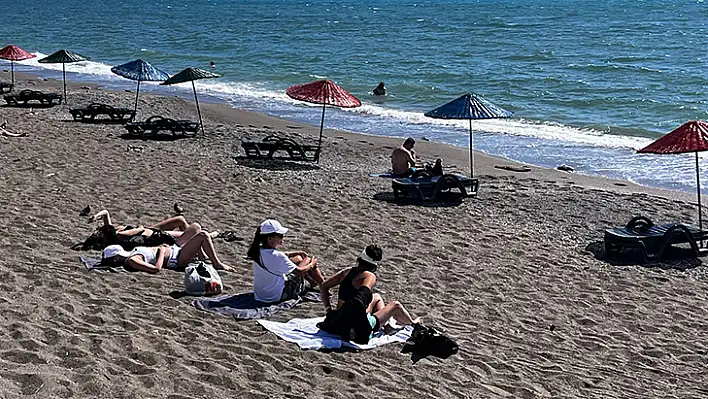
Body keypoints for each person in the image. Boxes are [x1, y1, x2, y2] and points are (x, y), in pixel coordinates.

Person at [319, 244, 420, 336]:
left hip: (338, 318)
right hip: (354, 326)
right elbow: (360, 297)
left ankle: (385, 325)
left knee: (377, 297)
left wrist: (328, 310)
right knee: (396, 305)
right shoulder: (369, 276)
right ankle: (412, 323)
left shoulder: (346, 272)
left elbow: (323, 286)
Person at [102, 223, 234, 273]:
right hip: (175, 258)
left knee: (195, 227)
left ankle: (201, 255)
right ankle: (217, 264)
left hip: (173, 248)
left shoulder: (130, 254)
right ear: (116, 257)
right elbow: (156, 269)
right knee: (203, 235)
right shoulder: (132, 260)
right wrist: (161, 251)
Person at [246, 219, 324, 303]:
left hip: (261, 295)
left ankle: (313, 283)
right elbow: (299, 272)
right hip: (277, 295)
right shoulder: (278, 256)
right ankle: (324, 285)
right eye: (280, 236)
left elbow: (276, 256)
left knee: (298, 258)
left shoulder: (257, 251)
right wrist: (312, 264)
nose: (282, 237)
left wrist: (294, 253)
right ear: (270, 239)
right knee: (307, 260)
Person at [75, 209, 218, 251]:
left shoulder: (113, 232)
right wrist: (138, 227)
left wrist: (95, 217)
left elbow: (105, 213)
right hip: (154, 235)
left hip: (151, 231)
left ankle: (200, 238)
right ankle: (205, 237)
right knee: (188, 230)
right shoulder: (120, 234)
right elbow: (139, 229)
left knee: (180, 220)